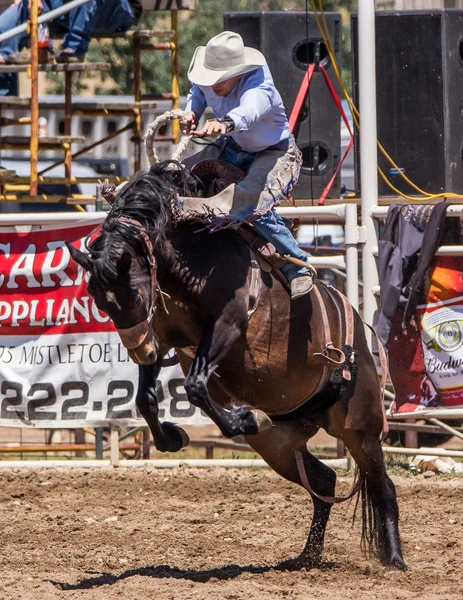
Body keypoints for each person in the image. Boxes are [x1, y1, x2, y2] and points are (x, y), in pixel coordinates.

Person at [180, 31, 314, 300]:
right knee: (179, 175)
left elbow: (250, 110)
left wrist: (226, 123)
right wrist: (192, 111)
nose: (211, 84)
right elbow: (197, 92)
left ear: (238, 74)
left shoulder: (261, 87)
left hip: (274, 152)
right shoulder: (212, 81)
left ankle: (297, 265)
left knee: (250, 203)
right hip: (232, 147)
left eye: (217, 80)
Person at [0, 0, 141, 93]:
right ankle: (40, 49)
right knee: (6, 29)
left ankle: (74, 48)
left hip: (115, 11)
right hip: (71, 10)